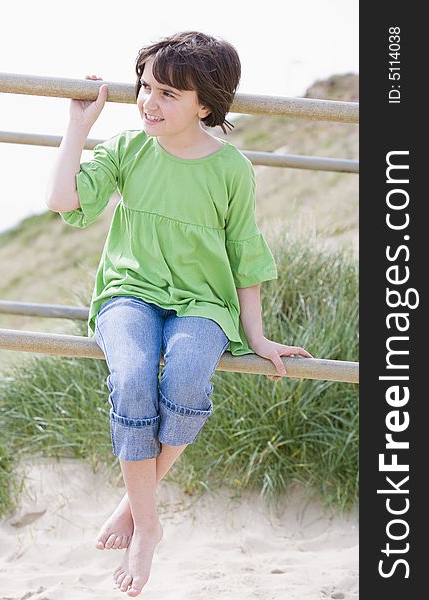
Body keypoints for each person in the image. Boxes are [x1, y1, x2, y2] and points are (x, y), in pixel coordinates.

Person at [46, 30, 312, 597]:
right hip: (129, 291)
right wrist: (78, 128)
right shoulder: (127, 148)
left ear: (206, 104)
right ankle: (149, 525)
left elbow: (245, 254)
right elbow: (63, 201)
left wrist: (258, 337)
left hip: (204, 303)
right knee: (133, 376)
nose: (149, 102)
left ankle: (132, 505)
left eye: (168, 93)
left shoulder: (231, 169)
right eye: (146, 87)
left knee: (189, 378)